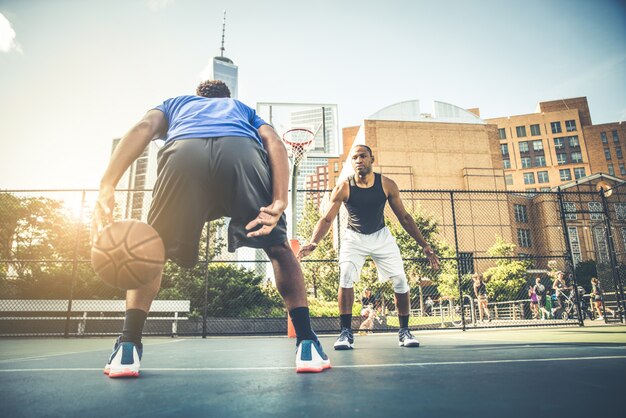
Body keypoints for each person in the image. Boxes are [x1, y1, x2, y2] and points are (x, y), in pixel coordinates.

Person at [92, 80, 329, 377]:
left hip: (184, 155)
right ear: (226, 97)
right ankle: (306, 343)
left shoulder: (175, 104)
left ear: (197, 96)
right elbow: (274, 143)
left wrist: (107, 184)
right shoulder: (242, 109)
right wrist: (280, 200)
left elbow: (142, 129)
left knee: (151, 250)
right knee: (278, 248)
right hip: (240, 153)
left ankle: (127, 347)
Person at [298, 144, 440, 350]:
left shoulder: (387, 185)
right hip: (354, 238)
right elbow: (327, 218)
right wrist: (313, 242)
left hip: (382, 237)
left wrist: (425, 245)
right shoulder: (343, 187)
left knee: (400, 279)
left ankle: (404, 331)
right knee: (346, 275)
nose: (359, 160)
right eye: (354, 157)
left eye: (363, 156)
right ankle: (345, 333)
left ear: (372, 159)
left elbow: (405, 218)